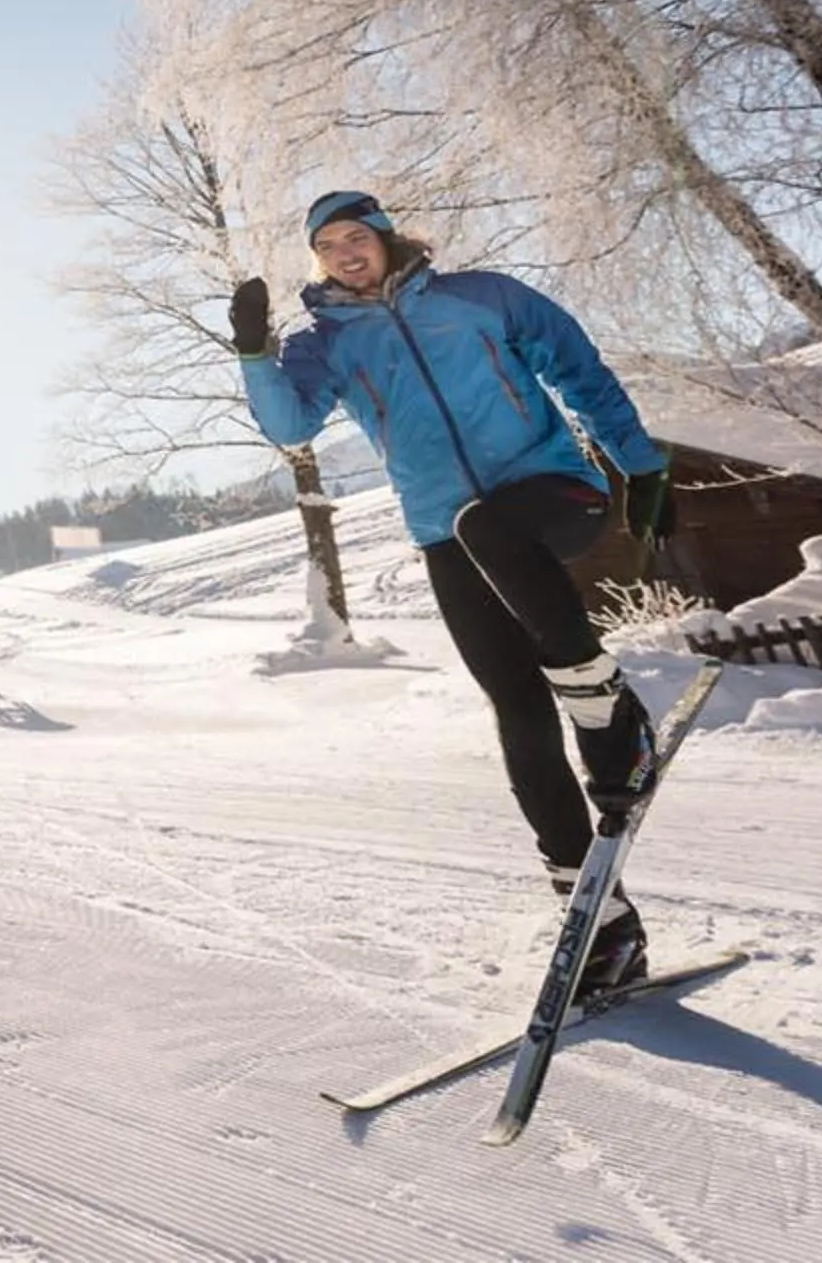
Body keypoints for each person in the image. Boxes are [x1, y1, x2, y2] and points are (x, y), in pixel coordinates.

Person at [231, 189, 676, 991]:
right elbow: (291, 428)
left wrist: (638, 462)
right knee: (517, 709)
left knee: (490, 527)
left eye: (355, 236)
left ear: (385, 237)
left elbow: (577, 366)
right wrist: (254, 354)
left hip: (552, 493)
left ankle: (613, 718)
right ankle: (600, 924)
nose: (343, 253)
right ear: (318, 260)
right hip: (448, 532)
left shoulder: (481, 298)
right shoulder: (327, 344)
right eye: (326, 245)